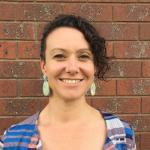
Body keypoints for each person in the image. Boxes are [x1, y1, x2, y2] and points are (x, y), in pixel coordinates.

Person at [0, 14, 136, 150]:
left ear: (94, 66)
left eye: (83, 56)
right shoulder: (12, 140)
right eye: (59, 56)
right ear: (44, 66)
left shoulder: (122, 133)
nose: (72, 68)